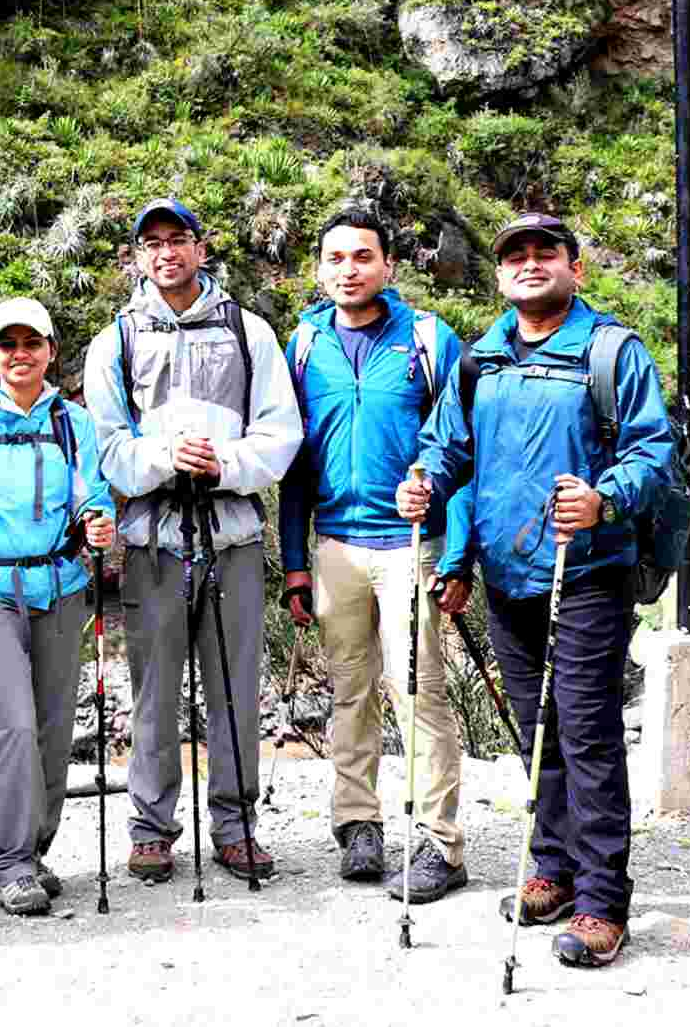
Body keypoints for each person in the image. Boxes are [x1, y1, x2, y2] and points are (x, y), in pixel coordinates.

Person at [399, 212, 676, 969]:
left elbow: (655, 449)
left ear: (573, 269)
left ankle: (601, 902)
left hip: (585, 572)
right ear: (499, 275)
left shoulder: (611, 351)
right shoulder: (480, 359)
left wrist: (604, 497)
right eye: (514, 255)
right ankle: (550, 867)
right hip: (509, 574)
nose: (528, 263)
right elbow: (448, 447)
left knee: (586, 733)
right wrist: (424, 484)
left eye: (544, 252)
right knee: (538, 730)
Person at [82, 198, 302, 884]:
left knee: (235, 682)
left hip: (232, 530)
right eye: (152, 242)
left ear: (202, 249)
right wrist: (164, 460)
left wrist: (226, 464)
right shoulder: (113, 340)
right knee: (151, 685)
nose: (166, 252)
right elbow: (110, 447)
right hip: (152, 535)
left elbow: (281, 431)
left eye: (178, 239)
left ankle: (235, 826)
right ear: (138, 257)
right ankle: (151, 828)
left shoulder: (249, 331)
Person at [276, 207, 477, 903]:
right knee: (350, 692)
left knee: (417, 691)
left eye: (363, 256)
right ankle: (358, 823)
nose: (348, 269)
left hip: (410, 546)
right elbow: (295, 460)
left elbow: (460, 443)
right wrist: (294, 560)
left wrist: (458, 553)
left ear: (388, 265)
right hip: (335, 543)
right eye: (335, 258)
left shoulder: (427, 339)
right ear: (320, 267)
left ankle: (439, 843)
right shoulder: (303, 342)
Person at [0, 297, 119, 916]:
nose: (20, 355)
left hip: (61, 585)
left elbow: (92, 493)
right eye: (7, 344)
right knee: (12, 725)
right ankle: (9, 863)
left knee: (54, 726)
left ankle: (36, 851)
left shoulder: (74, 423)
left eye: (31, 343)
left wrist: (100, 522)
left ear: (50, 351)